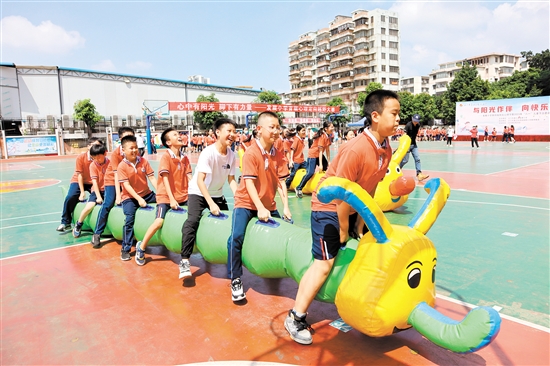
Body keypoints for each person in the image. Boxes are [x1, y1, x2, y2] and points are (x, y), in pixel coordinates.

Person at [284, 89, 397, 345]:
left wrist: (361, 220)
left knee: (377, 251)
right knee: (324, 264)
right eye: (395, 113)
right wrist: (345, 230)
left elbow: (370, 187)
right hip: (328, 208)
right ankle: (296, 317)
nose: (398, 119)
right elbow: (341, 193)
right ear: (376, 116)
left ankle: (365, 304)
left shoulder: (386, 147)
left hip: (354, 207)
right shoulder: (355, 149)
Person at [227, 111, 291, 302]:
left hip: (268, 203)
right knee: (236, 237)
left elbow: (281, 182)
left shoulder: (278, 154)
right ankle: (235, 279)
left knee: (282, 233)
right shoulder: (251, 153)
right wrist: (259, 208)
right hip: (246, 202)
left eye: (278, 127)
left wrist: (285, 206)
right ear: (259, 129)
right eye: (272, 127)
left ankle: (276, 269)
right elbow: (248, 183)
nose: (276, 131)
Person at [179, 118, 239, 278]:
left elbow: (231, 180)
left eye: (234, 131)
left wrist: (239, 197)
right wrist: (211, 203)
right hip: (198, 192)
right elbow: (200, 180)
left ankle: (229, 258)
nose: (232, 134)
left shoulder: (232, 155)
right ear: (218, 133)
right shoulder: (208, 152)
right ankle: (185, 261)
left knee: (229, 224)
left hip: (217, 193)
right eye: (229, 131)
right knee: (192, 221)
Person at [135, 128, 192, 266]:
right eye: (175, 135)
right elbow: (165, 179)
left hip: (183, 195)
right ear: (168, 142)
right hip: (166, 196)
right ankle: (141, 247)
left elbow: (190, 177)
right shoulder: (166, 157)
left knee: (195, 217)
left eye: (179, 134)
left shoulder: (184, 158)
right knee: (159, 221)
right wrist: (171, 199)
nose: (179, 136)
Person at [91, 127, 134, 248]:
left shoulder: (135, 151)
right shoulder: (116, 154)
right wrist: (118, 195)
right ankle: (97, 233)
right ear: (120, 139)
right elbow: (116, 175)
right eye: (127, 138)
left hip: (127, 179)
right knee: (108, 203)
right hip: (112, 180)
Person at [117, 135, 157, 261]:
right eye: (131, 148)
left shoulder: (143, 161)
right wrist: (138, 199)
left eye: (136, 148)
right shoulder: (121, 166)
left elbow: (151, 178)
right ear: (123, 150)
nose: (134, 150)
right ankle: (126, 248)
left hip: (147, 193)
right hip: (130, 197)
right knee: (129, 219)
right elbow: (126, 186)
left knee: (163, 203)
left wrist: (161, 193)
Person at [56, 138, 102, 232]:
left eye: (97, 146)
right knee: (71, 196)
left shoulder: (100, 159)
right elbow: (79, 175)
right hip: (78, 180)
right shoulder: (81, 158)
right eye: (93, 145)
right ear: (88, 146)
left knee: (99, 197)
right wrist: (81, 192)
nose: (95, 148)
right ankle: (65, 222)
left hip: (92, 182)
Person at [72, 143, 109, 239]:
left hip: (109, 189)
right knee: (89, 207)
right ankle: (79, 223)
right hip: (97, 190)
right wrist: (99, 196)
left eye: (99, 158)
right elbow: (95, 183)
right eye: (94, 158)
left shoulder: (110, 163)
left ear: (105, 154)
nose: (97, 160)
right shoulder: (93, 165)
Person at [295, 122, 334, 198]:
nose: (333, 128)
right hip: (313, 155)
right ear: (326, 129)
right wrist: (321, 165)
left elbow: (327, 150)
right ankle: (299, 188)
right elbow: (320, 151)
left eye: (333, 127)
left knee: (328, 170)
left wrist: (329, 161)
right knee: (310, 172)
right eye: (331, 127)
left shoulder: (327, 136)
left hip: (319, 155)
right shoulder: (322, 136)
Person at [399, 114, 429, 182]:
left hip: (414, 144)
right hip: (407, 145)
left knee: (417, 159)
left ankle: (419, 174)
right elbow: (404, 134)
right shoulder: (408, 125)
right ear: (412, 119)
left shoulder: (418, 125)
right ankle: (397, 169)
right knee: (405, 160)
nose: (415, 122)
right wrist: (403, 143)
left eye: (417, 121)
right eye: (414, 120)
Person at [285, 124, 307, 189]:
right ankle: (286, 185)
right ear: (298, 132)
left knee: (309, 170)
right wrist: (291, 161)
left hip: (302, 161)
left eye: (304, 130)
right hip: (296, 161)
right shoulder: (296, 139)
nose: (304, 132)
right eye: (303, 130)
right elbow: (292, 149)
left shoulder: (301, 139)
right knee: (292, 174)